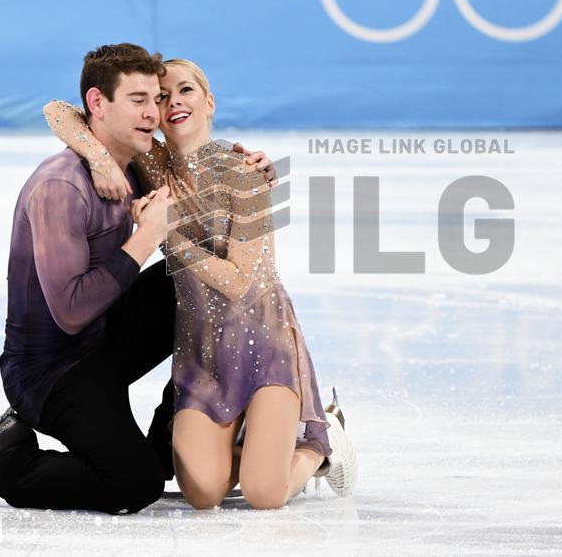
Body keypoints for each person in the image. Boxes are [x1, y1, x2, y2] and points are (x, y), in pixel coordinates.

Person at [0, 43, 279, 514]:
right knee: (133, 485)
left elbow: (68, 115)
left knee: (190, 280)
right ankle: (6, 459)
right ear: (99, 104)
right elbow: (72, 313)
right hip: (52, 372)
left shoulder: (138, 167)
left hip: (102, 345)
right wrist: (145, 237)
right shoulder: (60, 187)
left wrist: (251, 168)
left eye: (156, 100)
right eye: (138, 100)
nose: (153, 112)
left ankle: (175, 429)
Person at [42, 57, 357, 509]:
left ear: (209, 102)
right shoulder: (151, 164)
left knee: (264, 494)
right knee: (204, 493)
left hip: (265, 347)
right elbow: (57, 110)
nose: (172, 103)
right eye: (161, 96)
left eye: (185, 91)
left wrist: (164, 233)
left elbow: (237, 282)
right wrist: (99, 159)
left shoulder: (244, 172)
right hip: (202, 353)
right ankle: (253, 442)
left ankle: (322, 448)